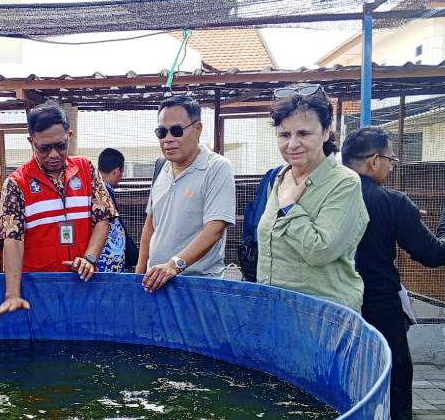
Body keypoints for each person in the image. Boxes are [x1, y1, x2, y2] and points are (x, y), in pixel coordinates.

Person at [342, 127, 445, 420]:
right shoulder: (391, 202)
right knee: (394, 380)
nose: (391, 166)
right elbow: (432, 254)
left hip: (333, 306)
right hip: (380, 308)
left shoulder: (320, 195)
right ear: (374, 161)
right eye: (391, 160)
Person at [0, 103, 117, 316]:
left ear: (69, 136)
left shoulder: (86, 169)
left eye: (61, 145)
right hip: (38, 291)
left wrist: (89, 259)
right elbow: (13, 239)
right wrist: (12, 294)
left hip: (82, 284)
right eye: (44, 148)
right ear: (31, 142)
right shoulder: (16, 183)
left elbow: (103, 218)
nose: (54, 154)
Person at [257, 84, 368, 312]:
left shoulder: (344, 182)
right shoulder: (280, 177)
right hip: (276, 309)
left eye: (304, 133)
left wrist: (289, 207)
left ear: (326, 131)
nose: (293, 144)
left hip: (324, 315)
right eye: (285, 134)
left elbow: (320, 251)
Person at [136, 95, 236, 293]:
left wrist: (174, 265)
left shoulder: (216, 168)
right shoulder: (161, 168)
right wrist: (139, 273)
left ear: (197, 129)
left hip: (196, 286)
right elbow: (151, 223)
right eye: (162, 132)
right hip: (154, 283)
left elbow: (215, 228)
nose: (168, 139)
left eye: (176, 131)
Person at [97, 148, 137, 272]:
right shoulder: (104, 190)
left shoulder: (93, 187)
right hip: (108, 261)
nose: (121, 177)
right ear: (117, 171)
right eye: (121, 172)